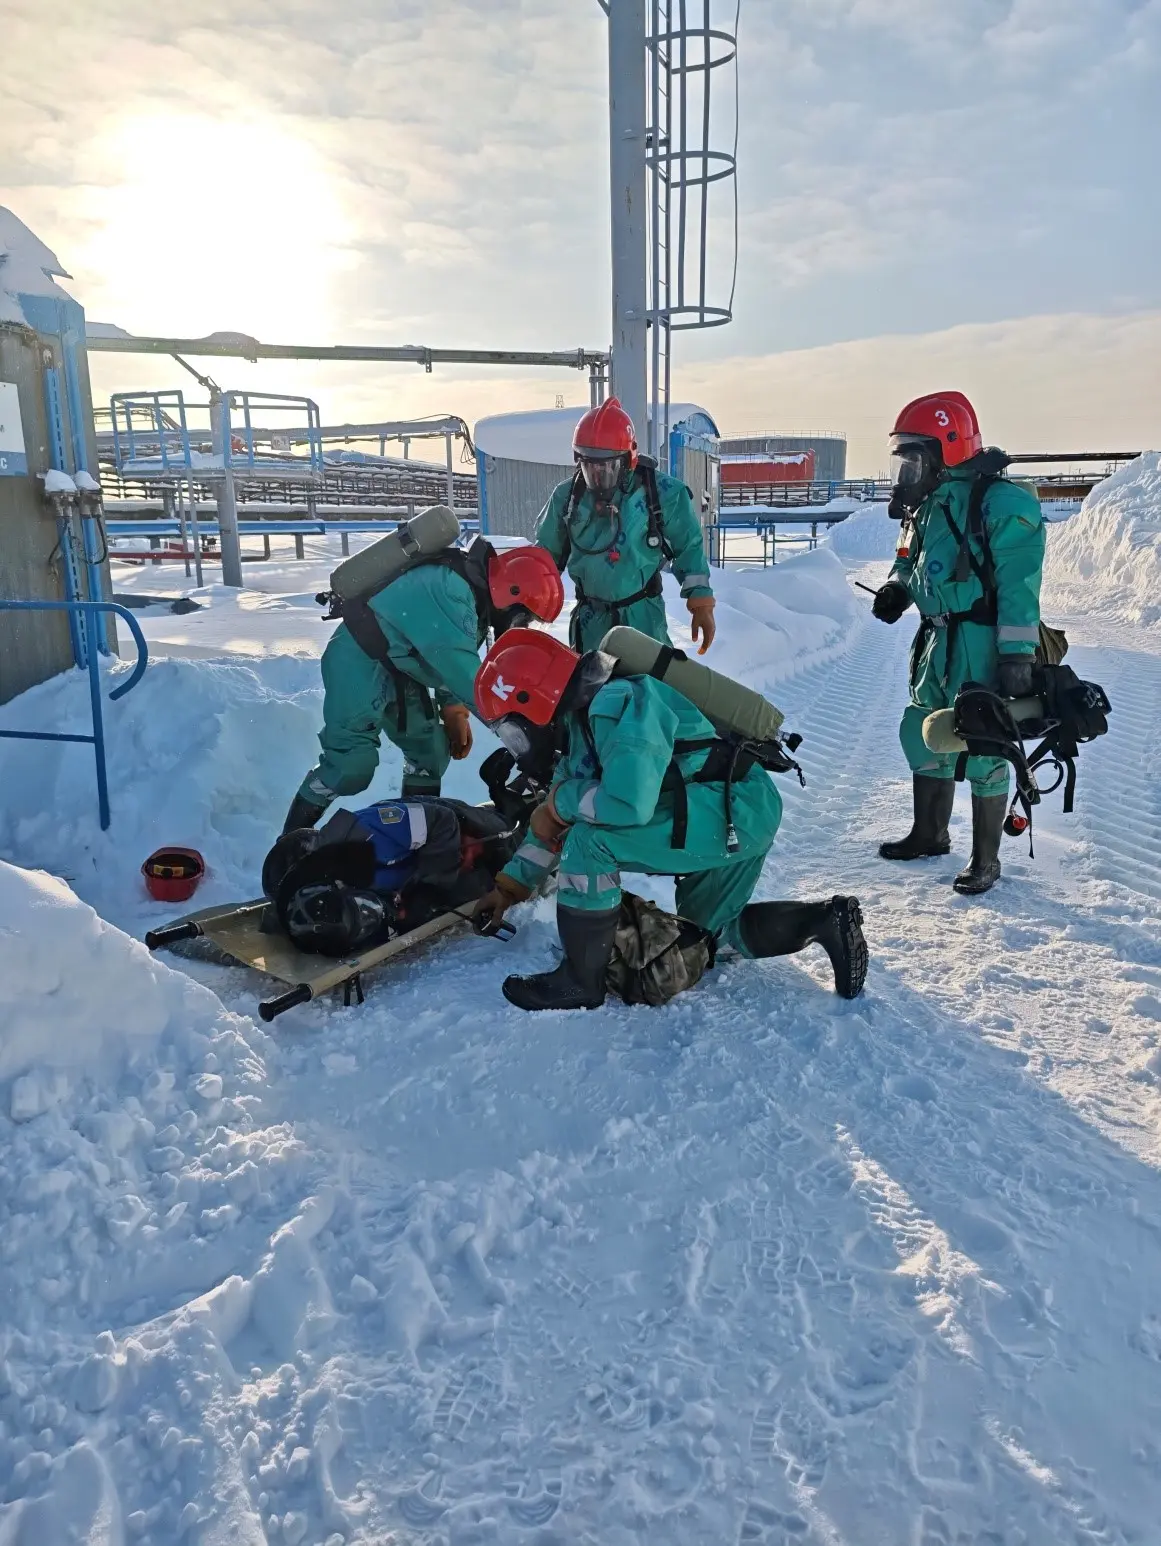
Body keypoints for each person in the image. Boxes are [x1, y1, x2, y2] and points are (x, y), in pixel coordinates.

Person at [472, 628, 868, 1010]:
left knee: (589, 842)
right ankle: (824, 920)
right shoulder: (580, 731)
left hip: (731, 809)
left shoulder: (618, 702)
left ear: (533, 701)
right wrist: (508, 888)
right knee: (707, 938)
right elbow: (550, 823)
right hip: (739, 809)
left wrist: (560, 804)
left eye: (512, 732)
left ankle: (580, 980)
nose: (517, 744)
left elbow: (627, 805)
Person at [871, 391, 1045, 895]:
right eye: (903, 460)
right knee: (921, 729)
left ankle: (986, 859)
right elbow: (907, 559)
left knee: (984, 738)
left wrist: (1017, 653)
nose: (906, 471)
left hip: (979, 641)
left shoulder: (1001, 503)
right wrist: (897, 588)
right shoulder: (926, 506)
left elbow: (1019, 584)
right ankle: (930, 833)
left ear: (944, 451)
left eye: (913, 459)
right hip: (935, 641)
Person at [283, 541, 564, 833]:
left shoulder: (475, 599)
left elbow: (449, 657)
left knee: (430, 755)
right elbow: (460, 670)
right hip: (358, 659)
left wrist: (453, 710)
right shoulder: (450, 590)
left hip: (402, 667)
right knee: (349, 767)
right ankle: (289, 842)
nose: (521, 624)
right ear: (512, 592)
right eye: (523, 616)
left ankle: (414, 838)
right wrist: (520, 732)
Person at [536, 398, 717, 655]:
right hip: (590, 624)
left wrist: (701, 603)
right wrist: (526, 599)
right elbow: (544, 559)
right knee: (592, 680)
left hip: (643, 621)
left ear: (629, 459)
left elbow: (689, 547)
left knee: (648, 678)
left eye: (608, 467)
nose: (598, 475)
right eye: (589, 466)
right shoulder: (567, 499)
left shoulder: (662, 494)